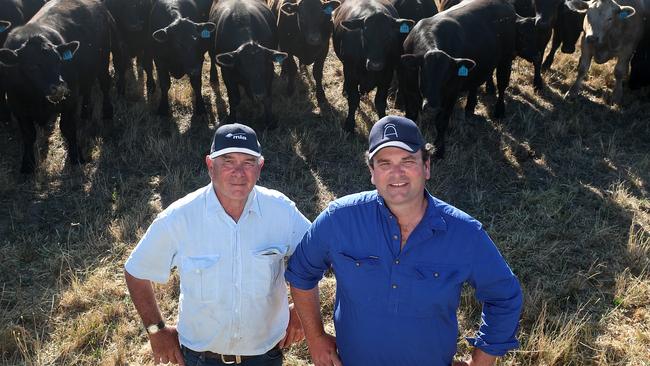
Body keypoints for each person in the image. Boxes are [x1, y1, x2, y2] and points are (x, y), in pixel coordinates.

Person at [285, 115, 523, 366]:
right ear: (372, 172)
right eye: (384, 163)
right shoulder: (339, 219)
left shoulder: (464, 233)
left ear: (427, 166)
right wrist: (315, 338)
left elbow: (504, 296)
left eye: (407, 160)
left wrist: (481, 362)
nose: (396, 173)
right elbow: (301, 272)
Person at [125, 123, 310, 366]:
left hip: (265, 356)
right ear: (210, 166)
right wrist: (156, 330)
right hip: (200, 357)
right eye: (228, 161)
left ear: (260, 167)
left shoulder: (281, 211)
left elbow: (316, 255)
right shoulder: (179, 218)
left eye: (248, 162)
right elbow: (136, 271)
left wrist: (300, 311)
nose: (238, 172)